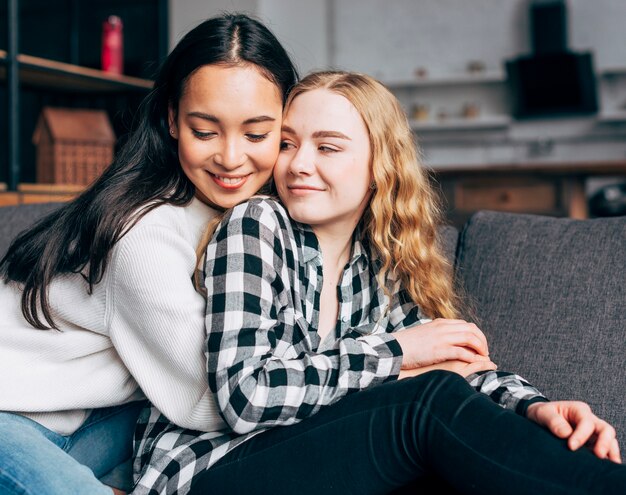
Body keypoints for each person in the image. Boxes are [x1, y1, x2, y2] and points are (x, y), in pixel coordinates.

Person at [133, 70, 625, 495]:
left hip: (308, 462)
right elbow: (248, 397)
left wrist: (536, 409)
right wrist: (398, 357)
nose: (299, 163)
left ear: (378, 166)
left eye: (327, 147)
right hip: (207, 473)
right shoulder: (256, 225)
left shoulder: (379, 260)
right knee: (425, 403)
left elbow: (460, 365)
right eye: (287, 143)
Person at [0, 13, 297, 495]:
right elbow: (214, 402)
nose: (230, 156)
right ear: (172, 121)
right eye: (205, 131)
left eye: (257, 134)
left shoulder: (257, 219)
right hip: (10, 414)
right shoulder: (144, 228)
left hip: (90, 419)